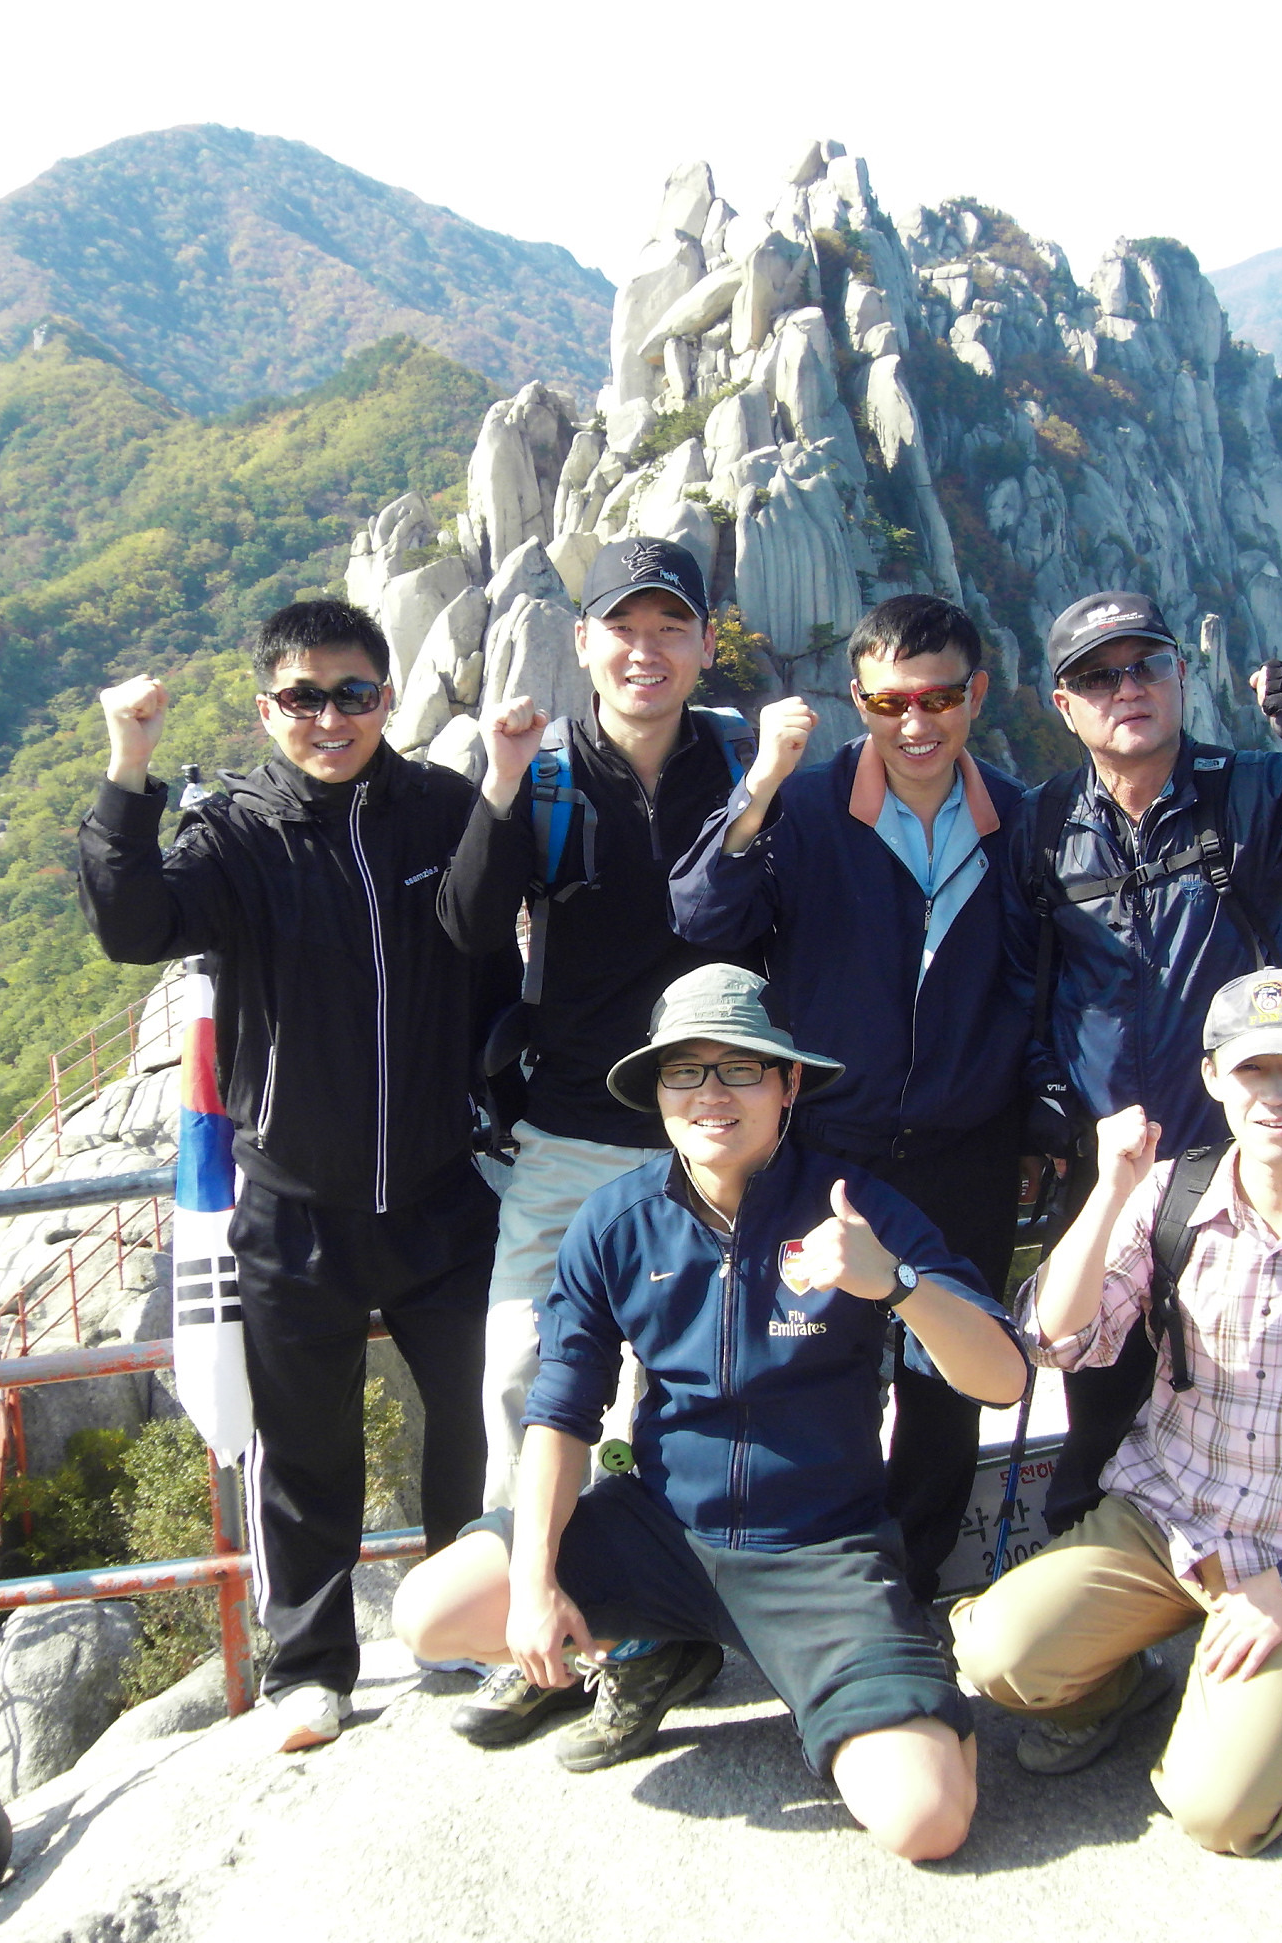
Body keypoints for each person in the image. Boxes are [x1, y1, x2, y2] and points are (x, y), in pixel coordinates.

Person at [393, 965, 1029, 1856]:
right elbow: (560, 1415)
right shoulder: (617, 1222)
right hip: (661, 1532)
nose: (711, 1094)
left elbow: (1002, 1379)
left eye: (741, 1068)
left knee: (926, 1820)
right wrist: (536, 1584)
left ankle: (864, 1686)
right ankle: (655, 1647)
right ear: (657, 1090)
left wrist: (894, 1282)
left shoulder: (857, 1212)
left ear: (789, 1083)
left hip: (818, 1553)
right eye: (684, 1070)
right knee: (432, 1613)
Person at [79, 598, 516, 1755]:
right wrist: (128, 768)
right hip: (295, 1206)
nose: (331, 718)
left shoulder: (441, 808)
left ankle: (469, 1625)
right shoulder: (237, 833)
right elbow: (133, 925)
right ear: (268, 708)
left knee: (477, 1420)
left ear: (386, 697)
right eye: (304, 697)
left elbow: (491, 959)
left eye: (353, 694)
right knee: (306, 1447)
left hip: (438, 1190)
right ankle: (311, 1665)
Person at [950, 968, 1282, 1856]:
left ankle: (1259, 1720)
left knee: (1219, 1816)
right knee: (995, 1656)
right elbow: (1056, 1339)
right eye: (1251, 1070)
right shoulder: (1171, 1198)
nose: (1275, 1095)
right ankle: (1133, 1689)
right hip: (1169, 1518)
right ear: (1212, 1078)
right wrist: (1110, 1191)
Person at [668, 594, 1067, 1601]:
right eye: (890, 702)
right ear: (858, 699)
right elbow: (703, 915)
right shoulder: (806, 809)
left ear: (976, 694)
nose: (915, 723)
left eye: (938, 698)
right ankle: (813, 1576)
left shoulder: (1018, 820)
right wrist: (761, 781)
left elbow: (1039, 986)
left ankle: (913, 1584)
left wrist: (1033, 1121)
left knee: (946, 1385)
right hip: (828, 1144)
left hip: (965, 1148)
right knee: (814, 1367)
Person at [434, 535, 753, 1749]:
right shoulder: (552, 775)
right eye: (624, 628)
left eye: (671, 628)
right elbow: (469, 923)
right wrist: (503, 781)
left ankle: (659, 1627)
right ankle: (536, 1627)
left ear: (705, 643)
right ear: (584, 644)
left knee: (689, 1391)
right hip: (568, 1136)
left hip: (706, 1142)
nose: (646, 651)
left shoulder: (742, 768)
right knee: (520, 1377)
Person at [1020, 590, 1282, 1161]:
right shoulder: (1041, 824)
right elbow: (1017, 980)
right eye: (1097, 678)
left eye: (1148, 666)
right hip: (1104, 1161)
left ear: (1182, 675)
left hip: (1241, 1155)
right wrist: (1047, 1094)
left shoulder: (1256, 792)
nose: (1128, 689)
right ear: (1065, 706)